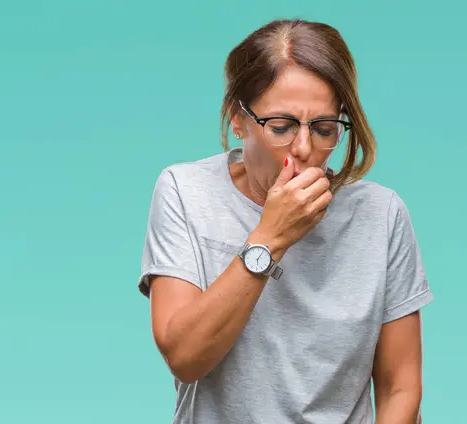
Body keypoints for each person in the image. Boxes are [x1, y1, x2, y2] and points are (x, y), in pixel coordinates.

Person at [137, 18, 433, 424]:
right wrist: (270, 237)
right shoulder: (186, 192)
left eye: (325, 128)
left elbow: (401, 386)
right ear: (237, 119)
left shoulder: (381, 215)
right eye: (281, 127)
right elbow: (185, 358)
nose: (305, 148)